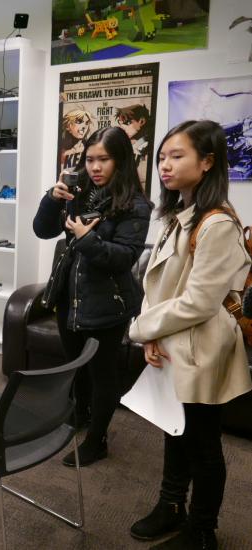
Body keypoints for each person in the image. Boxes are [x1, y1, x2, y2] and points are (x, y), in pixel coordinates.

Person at [128, 120, 251, 550]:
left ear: (208, 162)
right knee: (174, 430)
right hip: (172, 340)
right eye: (162, 156)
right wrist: (151, 335)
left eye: (176, 156)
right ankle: (171, 505)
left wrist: (142, 328)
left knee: (203, 442)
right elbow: (156, 286)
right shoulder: (179, 213)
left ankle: (202, 530)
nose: (165, 164)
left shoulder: (217, 223)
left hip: (202, 347)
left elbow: (199, 302)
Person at [34, 126, 151, 467]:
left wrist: (87, 238)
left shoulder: (135, 204)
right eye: (90, 160)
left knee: (102, 375)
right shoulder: (79, 191)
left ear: (121, 161)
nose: (95, 167)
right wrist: (51, 199)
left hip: (107, 303)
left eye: (104, 159)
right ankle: (78, 417)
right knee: (76, 368)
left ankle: (97, 440)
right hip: (68, 297)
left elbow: (123, 257)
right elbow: (43, 231)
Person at [58, 108, 94, 175]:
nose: (84, 126)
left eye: (87, 123)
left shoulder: (89, 148)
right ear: (68, 126)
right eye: (79, 122)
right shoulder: (59, 149)